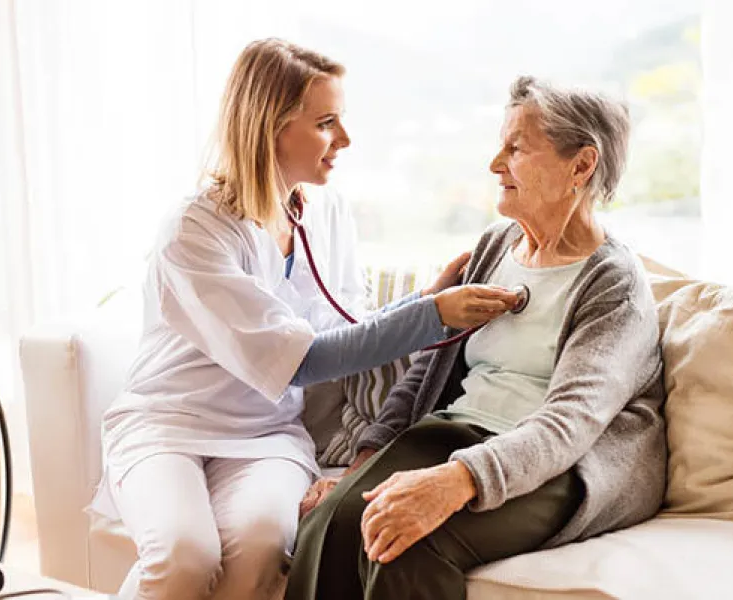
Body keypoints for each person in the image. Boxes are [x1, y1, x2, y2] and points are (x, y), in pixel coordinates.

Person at [94, 39, 521, 600]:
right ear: (269, 127)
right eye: (325, 123)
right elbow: (303, 360)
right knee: (184, 555)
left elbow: (340, 329)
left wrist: (425, 298)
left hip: (265, 434)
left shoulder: (326, 211)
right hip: (168, 426)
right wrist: (432, 314)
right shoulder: (194, 231)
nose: (344, 139)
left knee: (262, 546)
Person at [286, 76, 668, 600]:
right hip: (459, 432)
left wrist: (455, 480)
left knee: (403, 542)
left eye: (516, 149)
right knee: (330, 520)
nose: (495, 164)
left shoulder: (613, 284)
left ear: (581, 165)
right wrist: (360, 469)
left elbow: (570, 422)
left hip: (561, 466)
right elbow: (429, 371)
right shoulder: (495, 246)